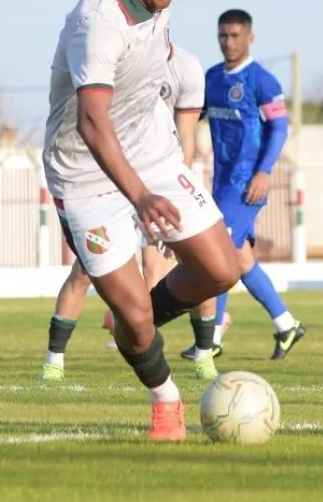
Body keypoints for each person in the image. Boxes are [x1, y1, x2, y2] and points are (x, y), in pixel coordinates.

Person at [42, 0, 241, 442]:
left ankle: (135, 323)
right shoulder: (98, 23)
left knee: (221, 270)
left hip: (151, 155)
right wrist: (140, 197)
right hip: (84, 174)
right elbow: (92, 124)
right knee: (136, 318)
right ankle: (167, 402)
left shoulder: (158, 1)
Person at [39, 45, 219, 382]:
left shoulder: (186, 67)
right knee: (83, 272)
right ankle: (54, 360)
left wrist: (177, 196)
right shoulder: (109, 60)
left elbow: (186, 136)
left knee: (193, 263)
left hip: (160, 177)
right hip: (109, 180)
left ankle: (203, 354)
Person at [181, 9, 305, 361]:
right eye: (223, 35)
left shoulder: (262, 80)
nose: (228, 42)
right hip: (221, 183)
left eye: (235, 36)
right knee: (239, 258)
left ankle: (212, 338)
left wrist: (263, 172)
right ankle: (287, 325)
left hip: (248, 184)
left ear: (250, 38)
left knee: (217, 255)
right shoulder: (212, 78)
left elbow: (280, 128)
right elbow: (192, 116)